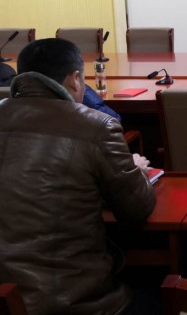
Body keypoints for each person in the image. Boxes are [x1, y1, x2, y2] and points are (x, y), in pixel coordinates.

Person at [0, 38, 156, 315]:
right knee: (158, 291)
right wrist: (136, 171)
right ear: (75, 79)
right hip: (71, 302)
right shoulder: (96, 126)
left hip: (5, 299)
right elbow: (136, 211)